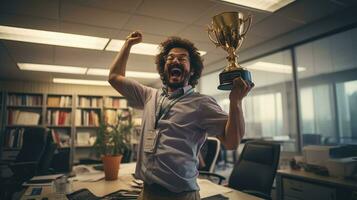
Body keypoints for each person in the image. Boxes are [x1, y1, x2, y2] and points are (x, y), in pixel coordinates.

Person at [108, 31, 253, 200]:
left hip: (180, 195)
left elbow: (232, 142)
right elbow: (114, 77)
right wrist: (128, 44)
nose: (175, 60)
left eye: (182, 58)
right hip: (147, 192)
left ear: (192, 71)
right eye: (170, 58)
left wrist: (236, 102)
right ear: (164, 67)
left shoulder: (201, 103)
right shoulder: (149, 96)